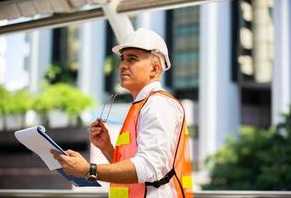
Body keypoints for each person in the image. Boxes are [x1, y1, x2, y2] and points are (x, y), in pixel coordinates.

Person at [51, 27, 193, 198]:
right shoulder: (142, 105)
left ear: (154, 69)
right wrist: (107, 148)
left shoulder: (157, 104)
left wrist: (89, 170)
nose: (122, 65)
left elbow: (149, 168)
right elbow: (136, 170)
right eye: (122, 59)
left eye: (132, 59)